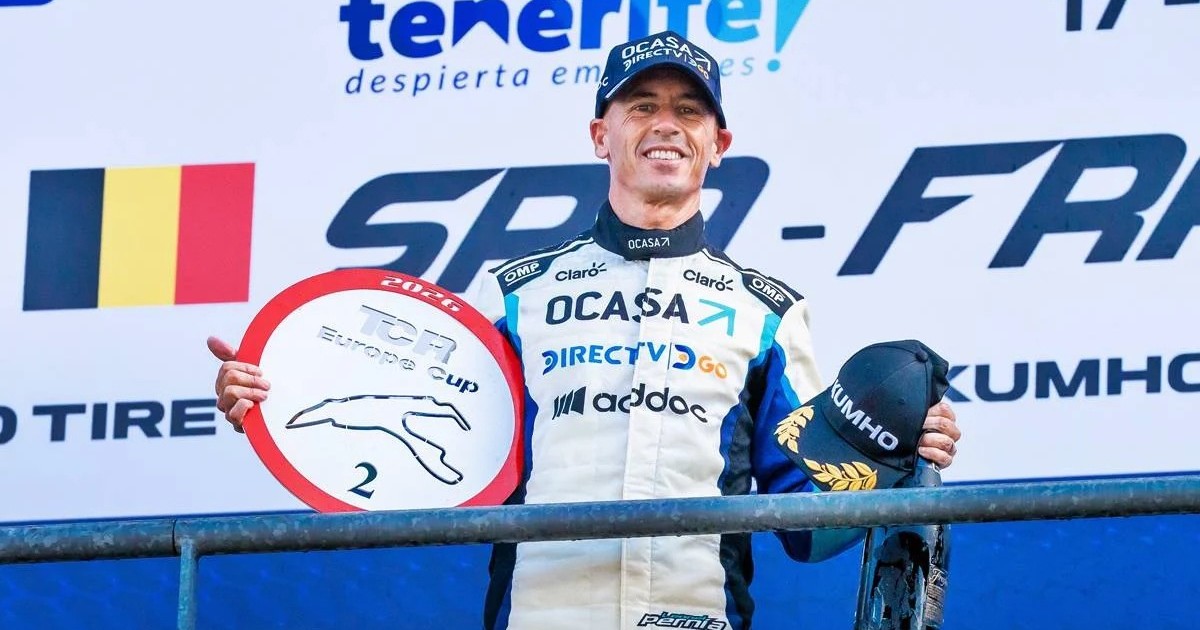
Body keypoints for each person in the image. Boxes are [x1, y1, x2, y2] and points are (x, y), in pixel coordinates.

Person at [209, 30, 961, 630]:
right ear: (602, 134)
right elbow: (419, 434)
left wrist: (894, 454)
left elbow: (807, 522)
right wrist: (276, 397)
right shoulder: (515, 293)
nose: (665, 124)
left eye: (689, 111)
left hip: (697, 618)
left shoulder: (769, 310)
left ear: (717, 144)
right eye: (641, 106)